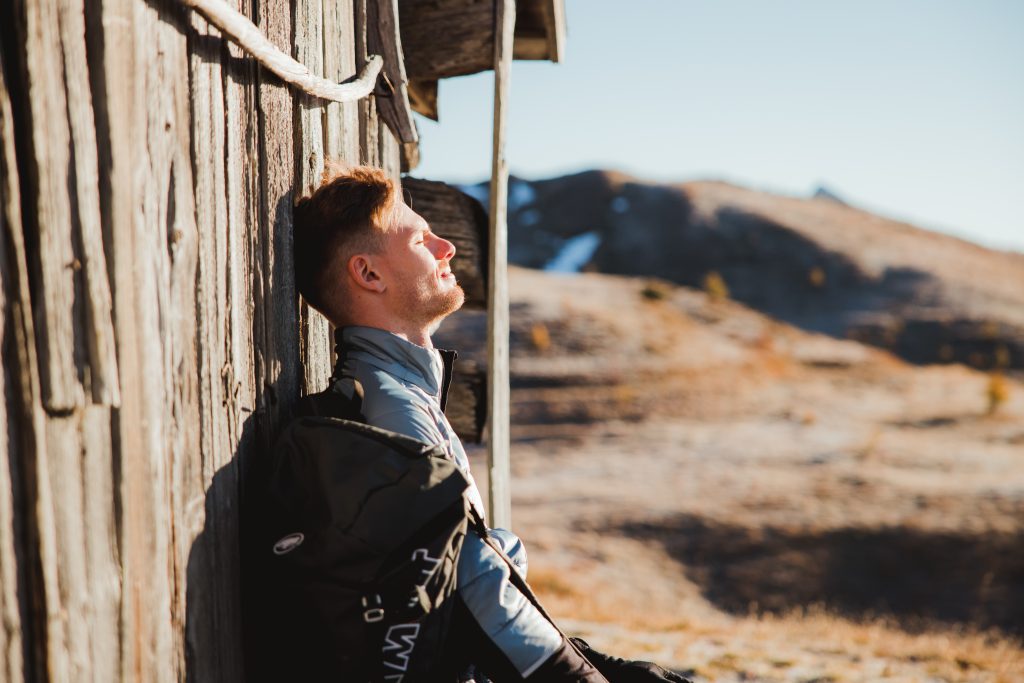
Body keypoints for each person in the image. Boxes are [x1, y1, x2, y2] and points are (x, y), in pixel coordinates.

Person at [292, 164, 690, 683]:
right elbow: (471, 583)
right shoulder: (394, 413)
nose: (447, 248)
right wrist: (581, 676)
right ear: (369, 275)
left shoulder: (398, 394)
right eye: (422, 240)